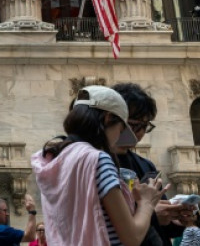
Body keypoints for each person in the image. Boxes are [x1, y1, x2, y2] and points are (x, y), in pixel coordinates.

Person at [32, 85, 166, 246]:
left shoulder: (56, 159)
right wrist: (147, 202)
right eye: (122, 129)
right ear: (108, 118)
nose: (119, 138)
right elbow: (132, 238)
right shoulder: (98, 160)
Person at [112, 83, 190, 246]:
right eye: (133, 124)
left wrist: (177, 217)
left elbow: (165, 228)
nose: (139, 132)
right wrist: (151, 214)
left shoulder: (146, 166)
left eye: (144, 126)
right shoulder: (95, 162)